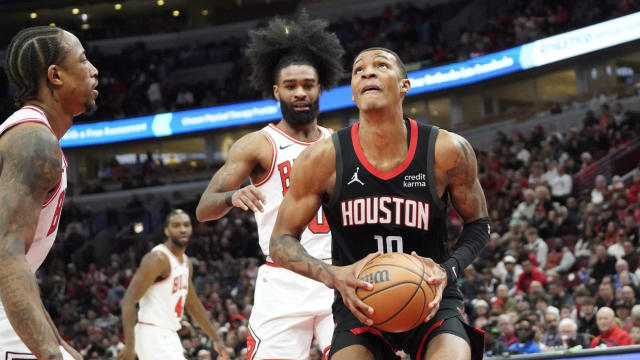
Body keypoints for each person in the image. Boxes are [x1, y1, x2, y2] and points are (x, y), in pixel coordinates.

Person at [269, 47, 488, 360]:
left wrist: (447, 270)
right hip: (358, 304)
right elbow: (279, 241)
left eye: (380, 65)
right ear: (354, 94)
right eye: (358, 70)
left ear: (404, 86)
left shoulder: (447, 150)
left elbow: (479, 224)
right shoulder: (322, 159)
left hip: (431, 299)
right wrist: (334, 276)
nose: (367, 72)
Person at [195, 12, 344, 360]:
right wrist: (233, 195)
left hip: (337, 273)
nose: (300, 92)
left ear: (321, 87)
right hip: (284, 277)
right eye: (291, 86)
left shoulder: (341, 144)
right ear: (277, 91)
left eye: (308, 84)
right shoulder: (258, 144)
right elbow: (204, 209)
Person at [0, 26, 99, 360]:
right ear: (55, 75)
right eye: (83, 60)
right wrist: (49, 352)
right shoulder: (33, 140)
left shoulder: (37, 137)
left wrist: (59, 343)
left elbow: (21, 267)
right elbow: (6, 254)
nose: (94, 70)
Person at [118, 210, 227, 360]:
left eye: (186, 225)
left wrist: (215, 338)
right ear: (166, 230)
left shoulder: (186, 262)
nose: (182, 229)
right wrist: (130, 345)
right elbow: (128, 301)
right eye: (176, 225)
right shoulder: (158, 259)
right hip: (153, 332)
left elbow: (192, 303)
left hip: (170, 334)